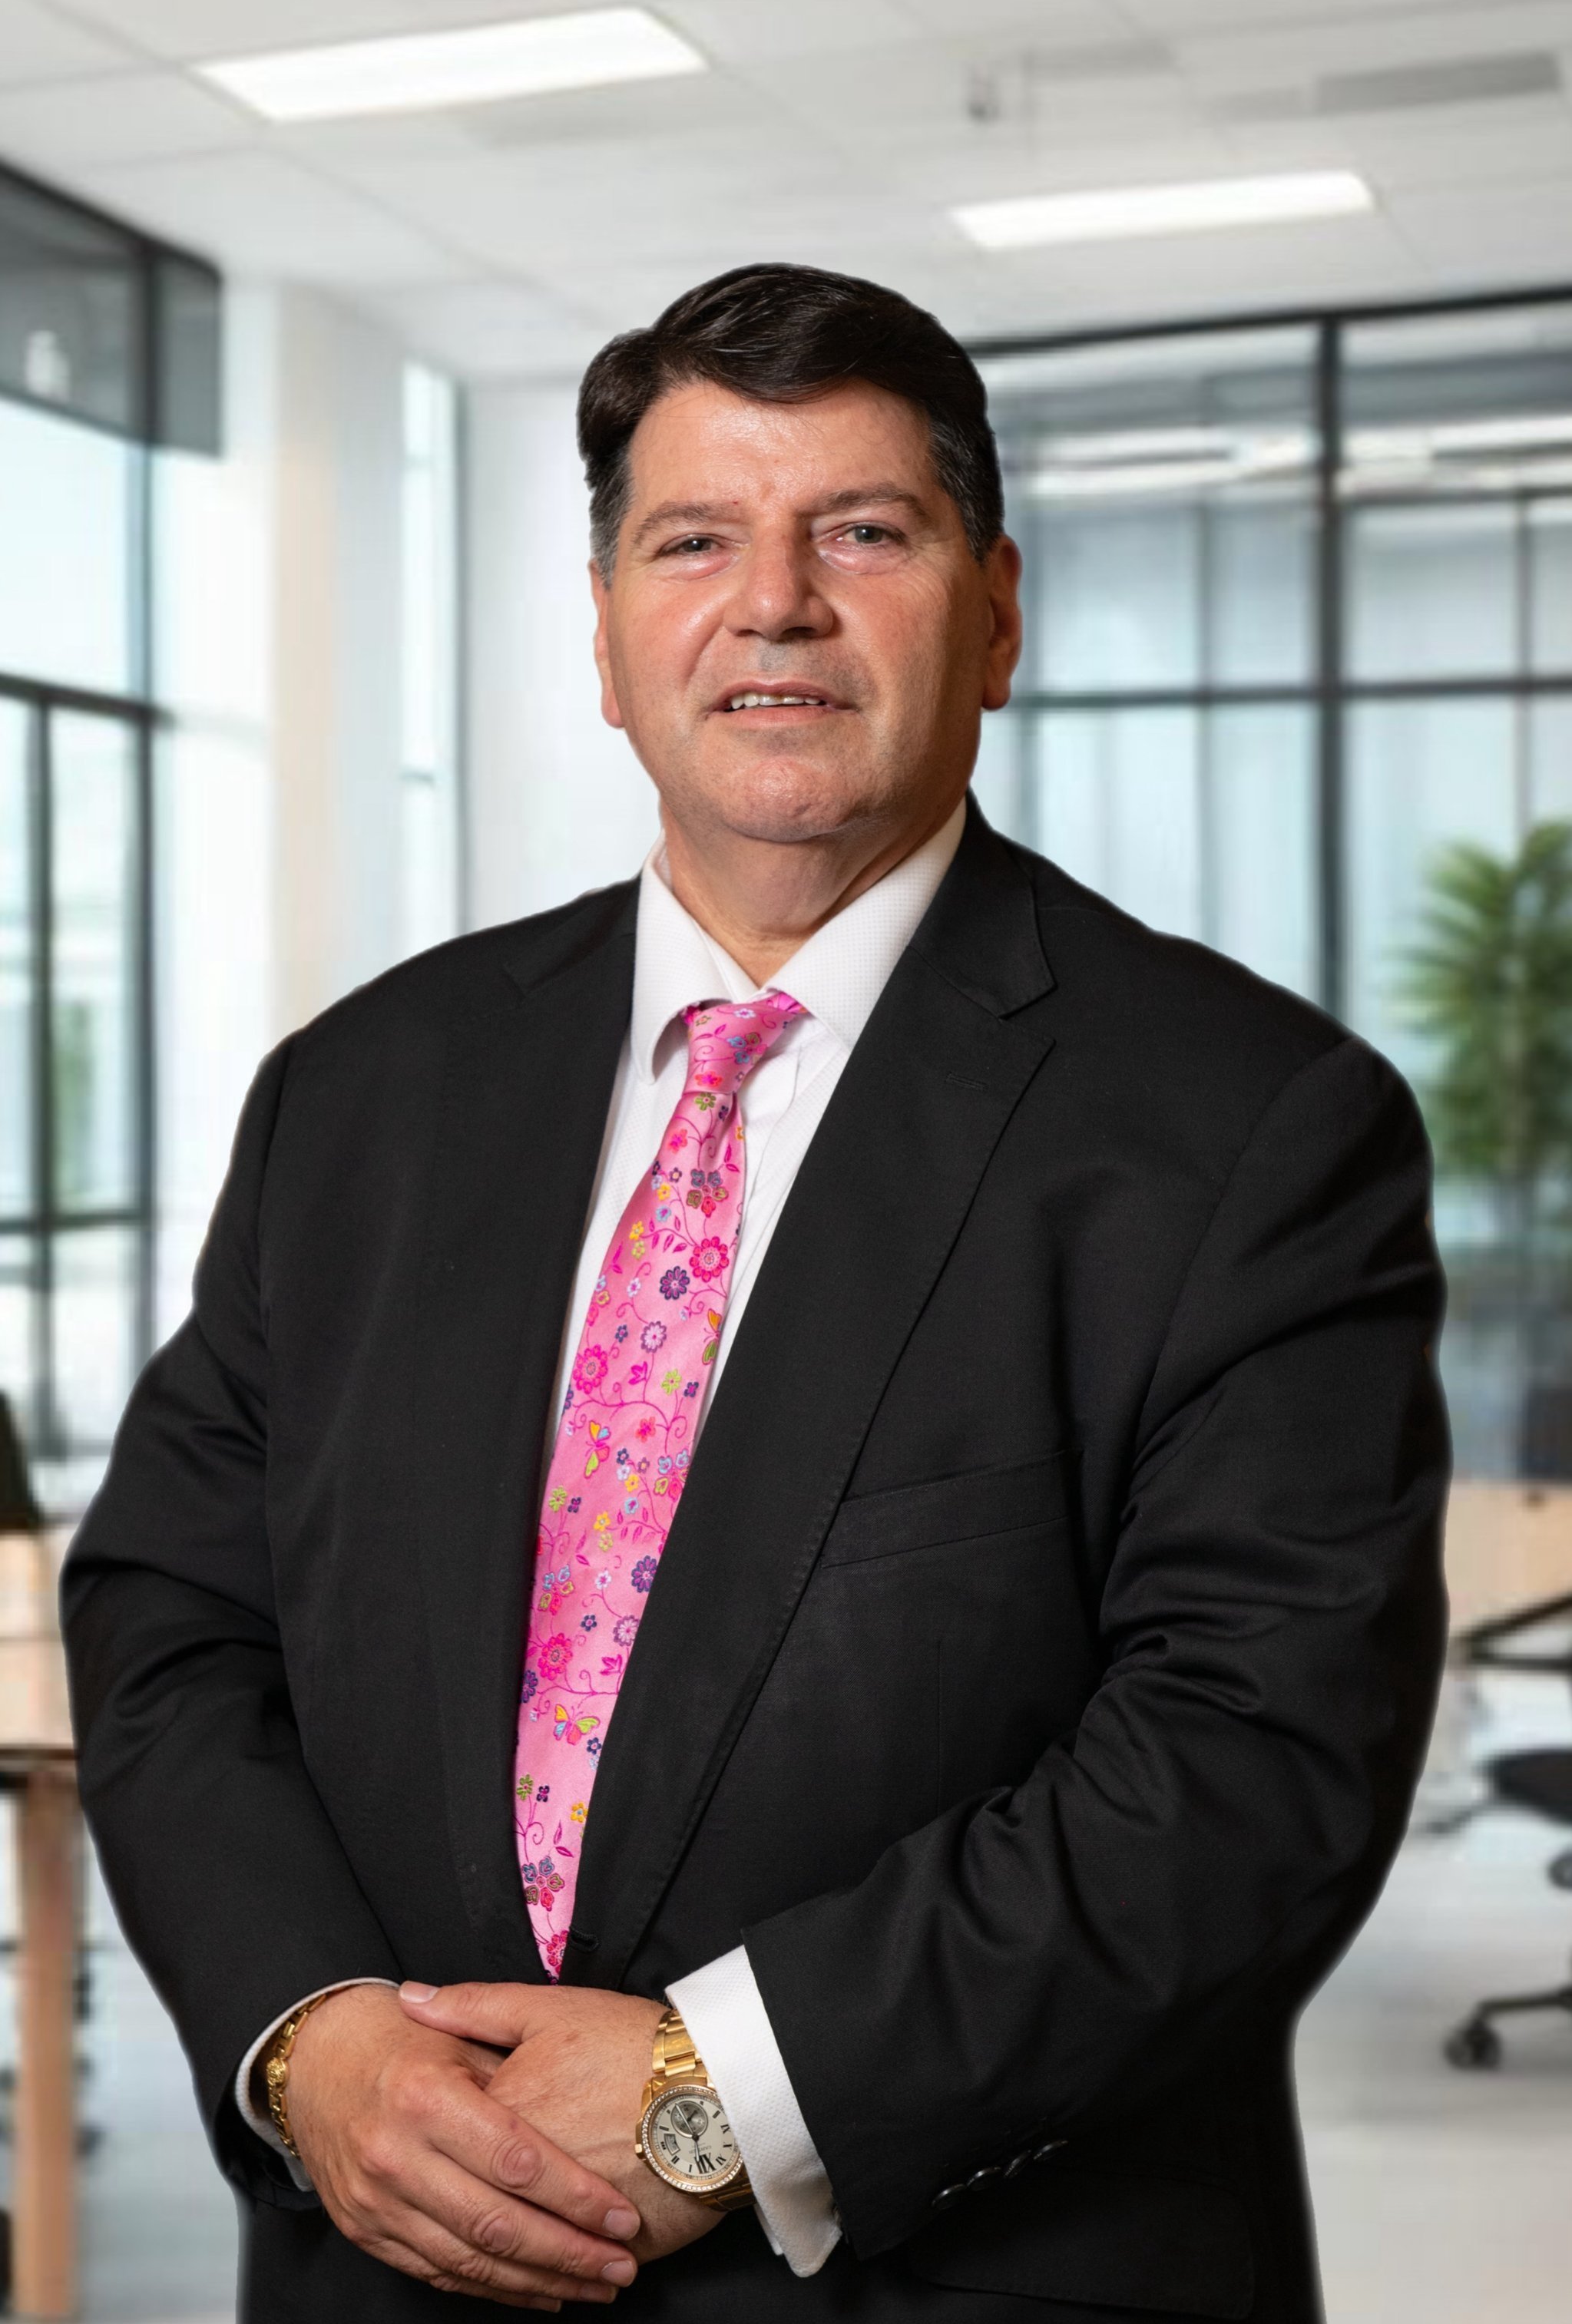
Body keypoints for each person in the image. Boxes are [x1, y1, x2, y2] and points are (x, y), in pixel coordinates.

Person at [65, 263, 1449, 2322]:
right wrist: (313, 2038)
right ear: (608, 635)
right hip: (386, 2267)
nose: (774, 604)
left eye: (862, 533)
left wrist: (724, 2099)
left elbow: (1253, 1759)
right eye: (694, 540)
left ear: (996, 614)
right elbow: (176, 1619)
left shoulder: (1251, 1125)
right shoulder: (360, 1094)